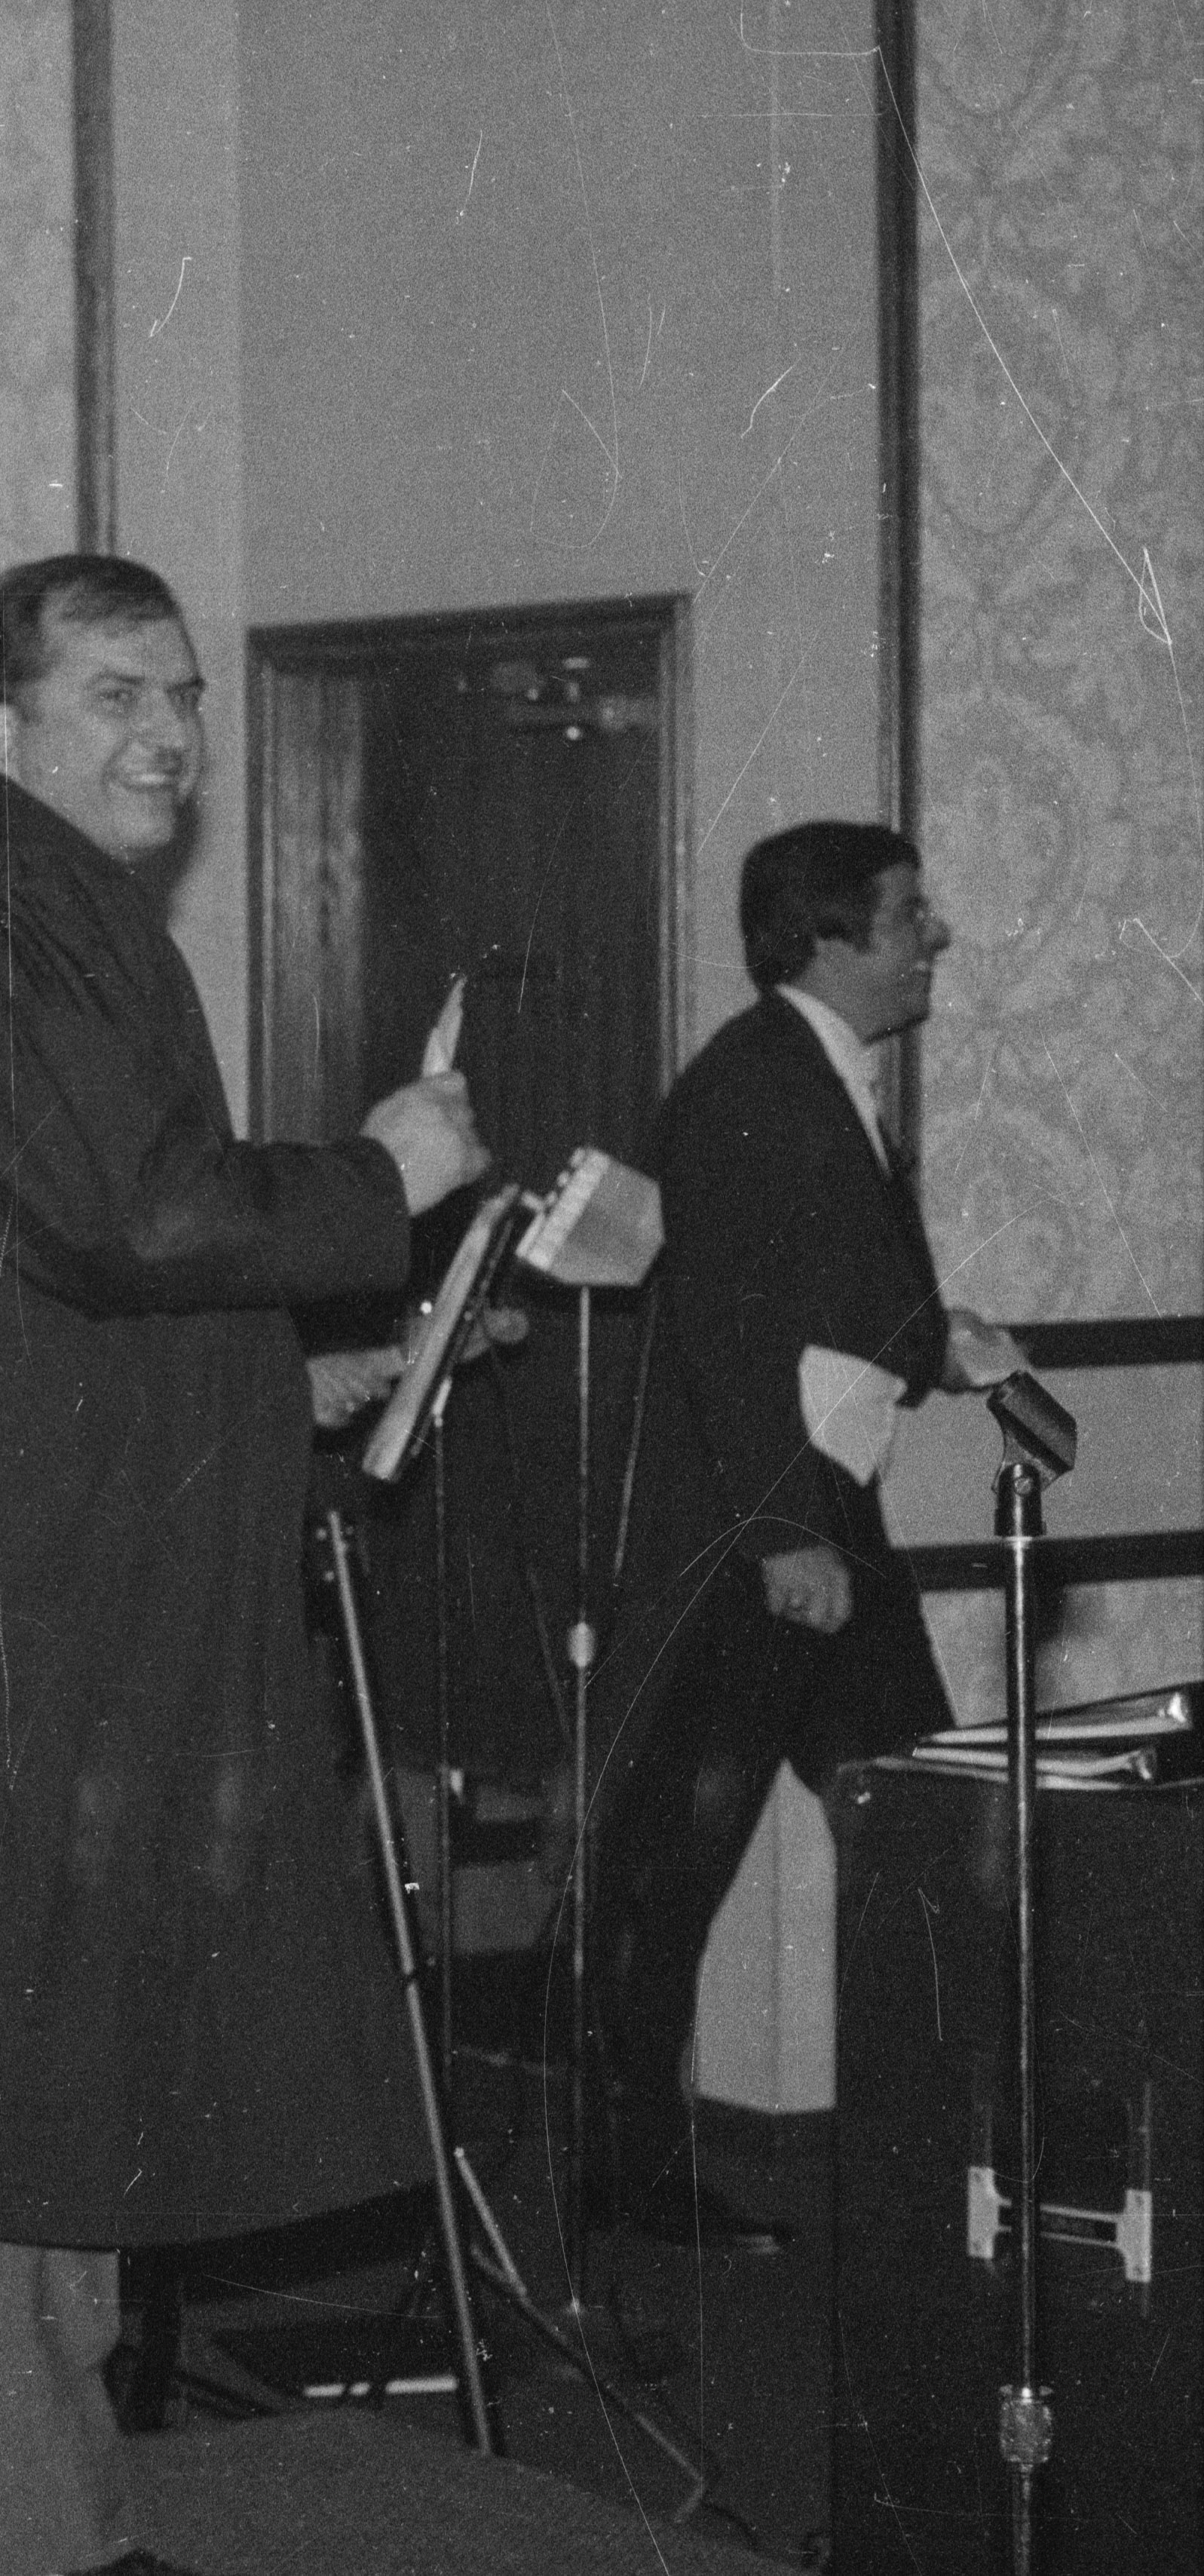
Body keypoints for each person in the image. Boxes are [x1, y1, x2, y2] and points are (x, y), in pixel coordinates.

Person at [0, 552, 486, 2576]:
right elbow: (126, 1211)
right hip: (4, 1614)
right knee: (15, 2084)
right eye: (114, 693)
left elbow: (29, 1277)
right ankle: (19, 2537)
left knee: (21, 2067)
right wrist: (380, 1176)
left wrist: (265, 1380)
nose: (167, 734)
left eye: (182, 695)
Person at [587, 820, 1016, 2252]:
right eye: (908, 913)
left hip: (818, 1519)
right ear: (828, 938)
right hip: (766, 1539)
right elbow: (724, 1324)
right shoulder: (756, 1083)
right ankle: (629, 2174)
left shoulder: (804, 1069)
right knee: (679, 1856)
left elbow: (808, 1282)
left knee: (925, 1823)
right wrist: (783, 1534)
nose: (934, 935)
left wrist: (932, 1339)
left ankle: (937, 2166)